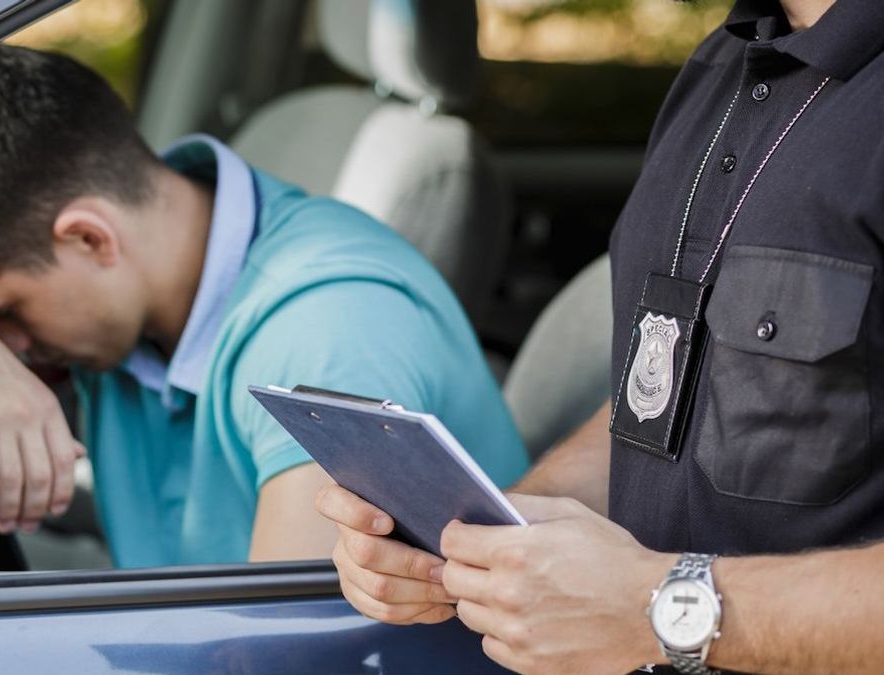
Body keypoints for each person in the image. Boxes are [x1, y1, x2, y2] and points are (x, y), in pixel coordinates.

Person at [0, 46, 529, 568]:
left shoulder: (325, 332)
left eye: (6, 312)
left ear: (89, 237)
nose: (7, 345)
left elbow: (285, 650)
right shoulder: (132, 280)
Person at [316, 0, 884, 672]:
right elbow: (677, 402)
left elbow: (644, 601)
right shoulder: (725, 60)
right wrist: (480, 538)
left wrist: (661, 605)